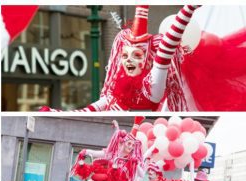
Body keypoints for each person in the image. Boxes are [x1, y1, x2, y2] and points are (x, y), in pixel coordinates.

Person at [40, 5, 201, 112]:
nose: (129, 60)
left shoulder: (151, 84)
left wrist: (187, 9)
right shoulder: (119, 87)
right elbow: (94, 107)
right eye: (125, 55)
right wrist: (54, 111)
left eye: (137, 55)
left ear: (148, 59)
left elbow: (168, 46)